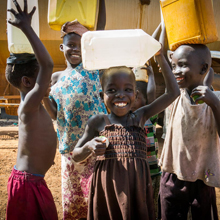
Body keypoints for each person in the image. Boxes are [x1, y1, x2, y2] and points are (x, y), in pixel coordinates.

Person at [72, 46, 180, 219]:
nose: (120, 95)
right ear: (102, 96)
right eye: (112, 90)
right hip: (106, 189)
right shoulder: (98, 122)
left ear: (136, 95)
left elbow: (173, 92)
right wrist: (90, 147)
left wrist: (160, 57)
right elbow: (76, 155)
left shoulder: (141, 116)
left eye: (127, 89)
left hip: (136, 187)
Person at [43, 2, 107, 219]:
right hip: (69, 152)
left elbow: (99, 31)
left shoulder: (93, 68)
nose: (76, 49)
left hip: (97, 148)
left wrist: (100, 2)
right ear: (62, 47)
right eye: (70, 44)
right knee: (73, 204)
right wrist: (44, 96)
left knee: (97, 203)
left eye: (80, 44)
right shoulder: (56, 79)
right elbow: (55, 114)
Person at [5, 0, 58, 219]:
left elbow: (37, 70)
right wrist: (26, 28)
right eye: (42, 81)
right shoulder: (29, 105)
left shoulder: (30, 102)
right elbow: (48, 66)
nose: (48, 82)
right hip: (28, 184)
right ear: (28, 82)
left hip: (31, 181)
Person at [159, 44, 220, 220]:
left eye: (183, 65)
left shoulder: (215, 101)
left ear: (203, 68)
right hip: (173, 174)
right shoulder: (174, 93)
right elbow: (161, 53)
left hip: (203, 177)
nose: (176, 71)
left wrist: (214, 104)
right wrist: (164, 23)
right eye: (174, 66)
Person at [132, 63, 161, 218]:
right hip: (135, 174)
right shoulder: (126, 120)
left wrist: (150, 75)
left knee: (152, 205)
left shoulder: (149, 118)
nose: (132, 99)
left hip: (153, 171)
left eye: (137, 97)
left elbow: (151, 96)